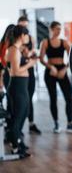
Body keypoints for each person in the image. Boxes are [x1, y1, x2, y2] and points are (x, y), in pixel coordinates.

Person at [39, 21, 72, 133]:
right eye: (56, 28)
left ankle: (70, 123)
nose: (59, 30)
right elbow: (41, 59)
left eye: (60, 28)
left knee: (68, 97)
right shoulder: (45, 42)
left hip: (61, 70)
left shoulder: (64, 42)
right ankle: (56, 123)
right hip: (50, 72)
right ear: (50, 29)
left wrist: (65, 69)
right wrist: (50, 67)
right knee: (53, 98)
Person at [6, 25, 37, 158]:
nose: (28, 38)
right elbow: (15, 71)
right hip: (17, 86)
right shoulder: (13, 50)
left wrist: (28, 59)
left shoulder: (18, 50)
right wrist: (30, 64)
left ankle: (18, 141)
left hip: (22, 86)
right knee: (18, 117)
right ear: (21, 36)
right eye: (27, 35)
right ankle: (15, 146)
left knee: (25, 112)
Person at [17, 16, 41, 134]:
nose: (24, 27)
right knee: (20, 99)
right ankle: (17, 128)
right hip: (19, 72)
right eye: (22, 25)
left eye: (26, 25)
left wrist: (32, 54)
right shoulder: (14, 41)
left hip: (30, 71)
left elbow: (35, 54)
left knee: (29, 97)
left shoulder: (31, 38)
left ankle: (31, 123)